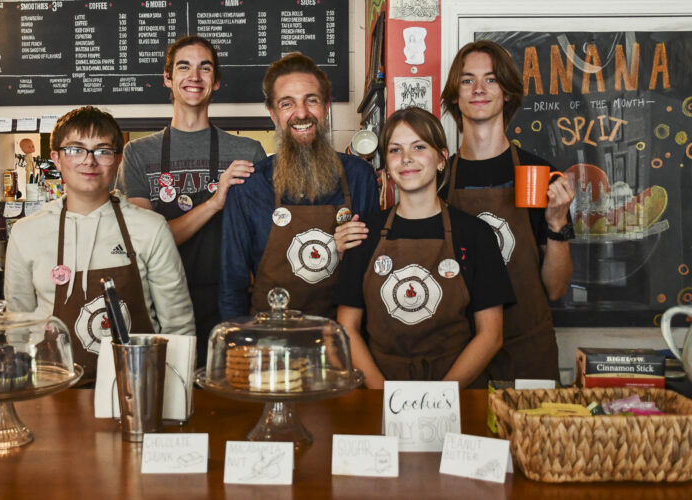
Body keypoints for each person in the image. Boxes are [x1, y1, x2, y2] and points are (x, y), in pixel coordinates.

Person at [6, 106, 195, 381]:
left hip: (138, 389)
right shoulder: (26, 233)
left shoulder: (151, 228)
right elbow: (18, 326)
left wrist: (176, 396)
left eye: (102, 150)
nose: (89, 161)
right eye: (75, 149)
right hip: (52, 392)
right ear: (56, 159)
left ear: (117, 159)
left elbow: (178, 325)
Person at [335, 107, 513, 389]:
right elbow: (347, 328)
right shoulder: (364, 234)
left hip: (458, 393)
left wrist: (440, 397)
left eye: (419, 147)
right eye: (395, 150)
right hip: (378, 390)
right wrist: (383, 394)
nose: (406, 159)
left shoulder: (476, 235)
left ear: (442, 159)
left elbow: (491, 335)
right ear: (387, 168)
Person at [118, 35, 266, 366]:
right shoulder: (138, 154)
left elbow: (260, 241)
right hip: (160, 303)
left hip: (228, 302)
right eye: (184, 67)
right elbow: (147, 243)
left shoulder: (247, 152)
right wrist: (214, 202)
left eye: (205, 68)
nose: (194, 77)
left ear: (216, 82)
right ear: (168, 78)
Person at [440, 40, 575, 381]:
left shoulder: (537, 174)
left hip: (527, 351)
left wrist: (557, 223)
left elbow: (556, 289)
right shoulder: (438, 179)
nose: (479, 89)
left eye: (491, 79)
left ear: (508, 93)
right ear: (455, 95)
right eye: (468, 80)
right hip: (457, 352)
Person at [219, 52, 379, 320]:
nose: (301, 113)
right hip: (269, 340)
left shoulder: (359, 176)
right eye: (287, 104)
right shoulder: (249, 186)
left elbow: (375, 270)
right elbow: (231, 285)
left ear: (326, 106)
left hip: (340, 338)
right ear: (273, 114)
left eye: (311, 100)